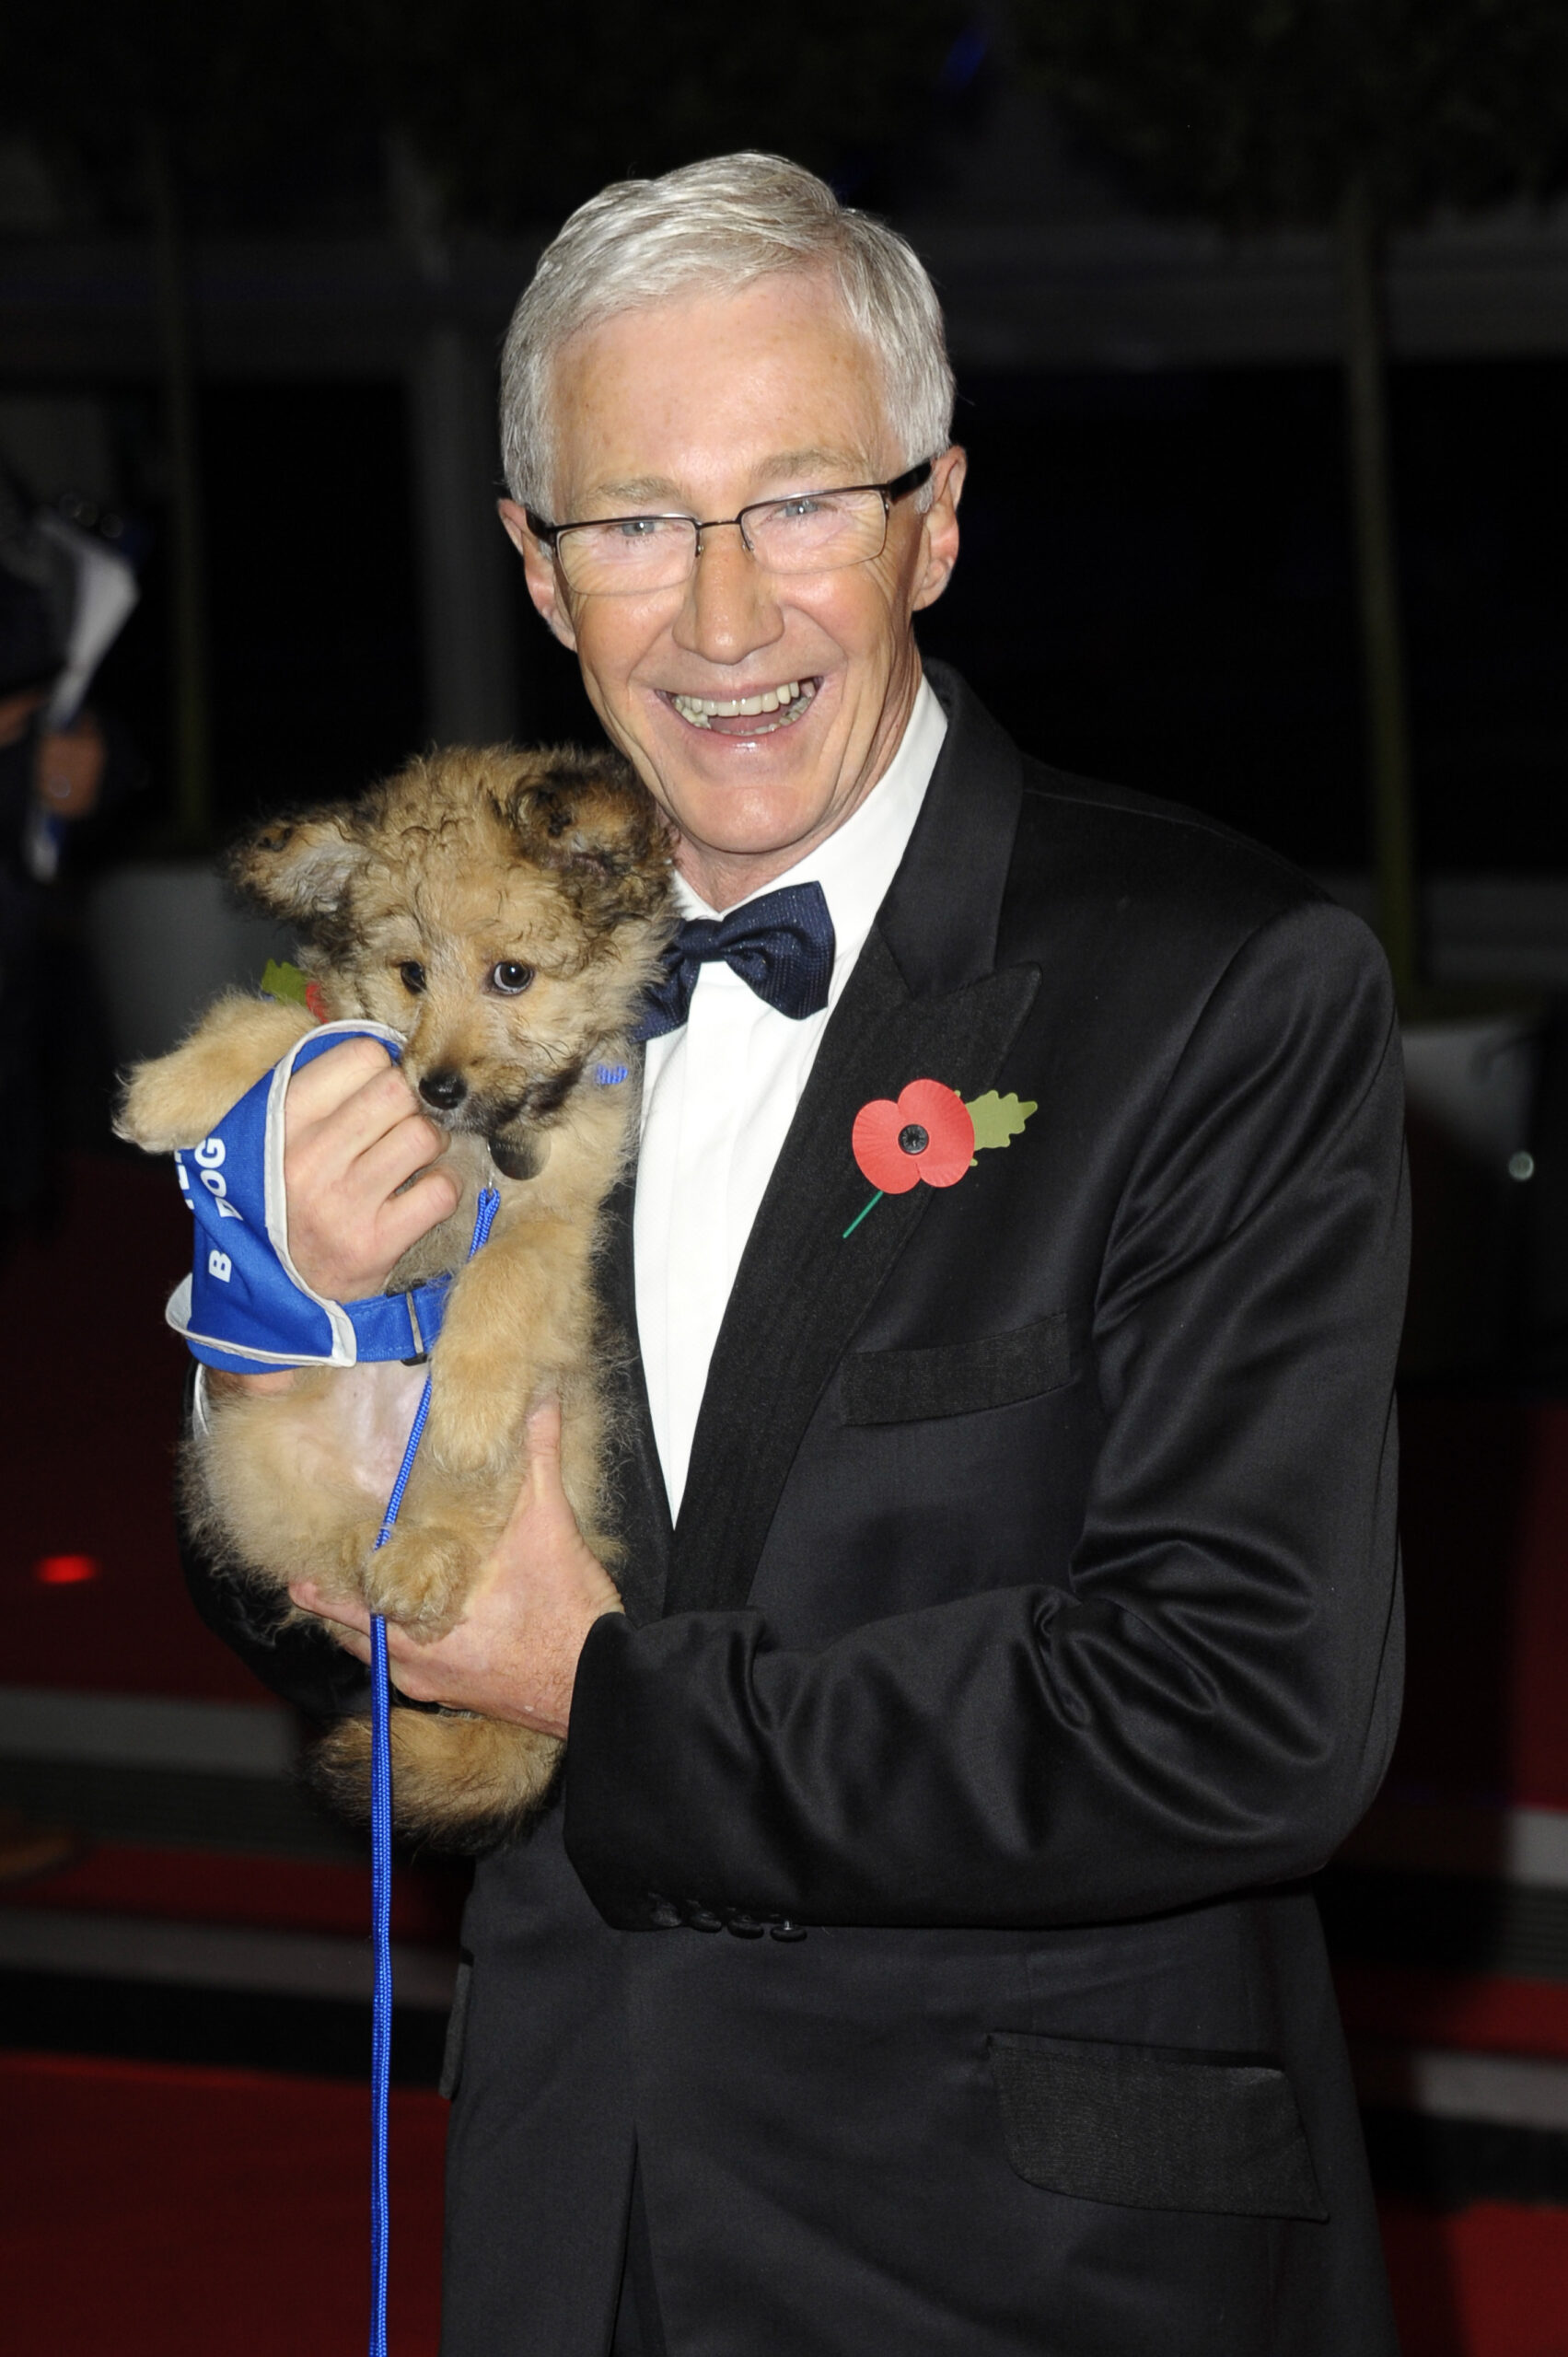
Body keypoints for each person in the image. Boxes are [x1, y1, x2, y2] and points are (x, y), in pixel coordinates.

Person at [182, 154, 1407, 2355]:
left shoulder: (1223, 985)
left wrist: (614, 1697)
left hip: (1039, 2265)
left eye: (801, 504)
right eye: (638, 521)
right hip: (577, 2222)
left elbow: (1249, 1712)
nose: (723, 617)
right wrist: (283, 1338)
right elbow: (308, 1605)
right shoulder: (475, 977)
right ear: (539, 576)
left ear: (937, 517)